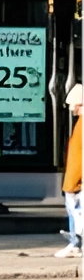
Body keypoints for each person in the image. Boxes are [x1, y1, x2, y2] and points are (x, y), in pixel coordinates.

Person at [58, 83, 84, 258]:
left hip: (78, 178)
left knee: (75, 212)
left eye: (72, 104)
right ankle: (77, 243)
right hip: (75, 177)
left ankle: (76, 243)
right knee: (77, 212)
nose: (70, 108)